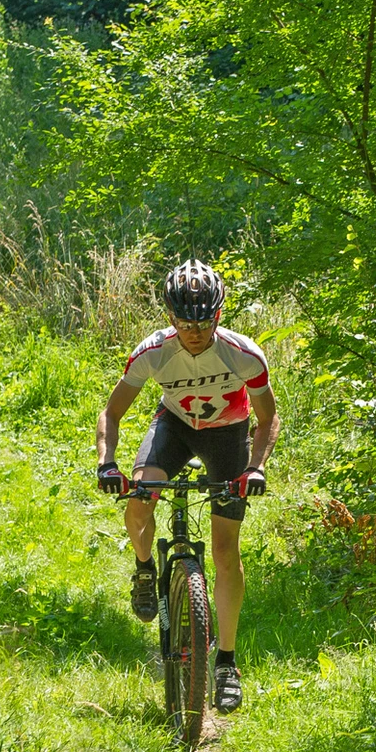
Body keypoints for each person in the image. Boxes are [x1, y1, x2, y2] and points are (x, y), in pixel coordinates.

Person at [94, 259, 280, 714]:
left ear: (218, 315)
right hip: (175, 426)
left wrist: (254, 468)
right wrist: (107, 463)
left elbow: (267, 418)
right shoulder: (153, 352)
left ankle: (227, 664)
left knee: (224, 551)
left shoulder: (243, 353)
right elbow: (112, 413)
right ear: (170, 318)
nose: (193, 332)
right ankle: (144, 570)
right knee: (139, 497)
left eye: (203, 322)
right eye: (183, 323)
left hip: (228, 434)